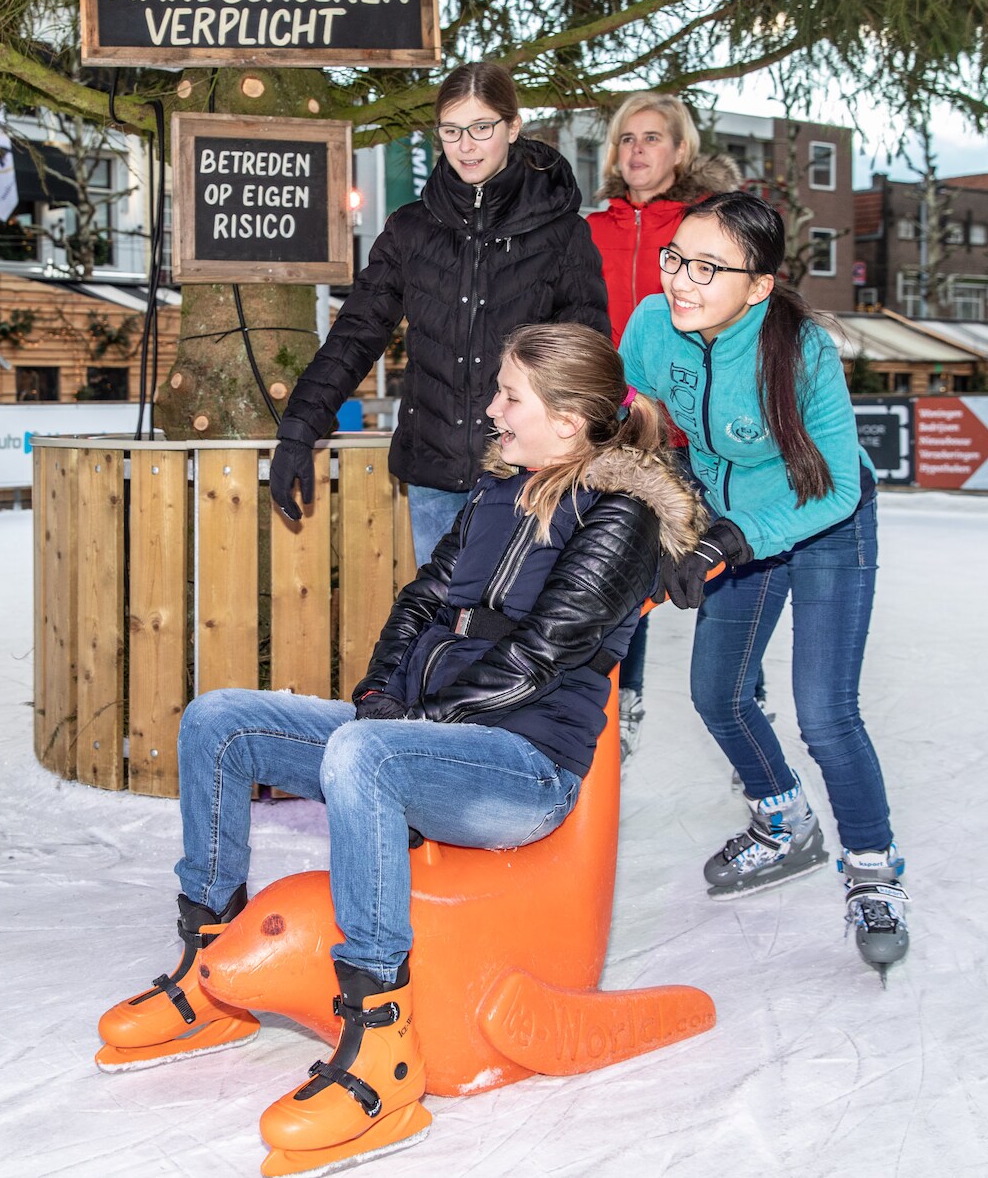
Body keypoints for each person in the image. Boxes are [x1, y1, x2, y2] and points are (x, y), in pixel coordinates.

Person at [98, 323, 701, 1171]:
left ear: (568, 421)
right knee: (220, 721)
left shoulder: (620, 517)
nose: (491, 409)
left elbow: (540, 656)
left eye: (510, 397)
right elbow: (421, 602)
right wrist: (380, 698)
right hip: (417, 737)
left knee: (364, 757)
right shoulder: (498, 493)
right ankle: (206, 966)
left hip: (521, 767)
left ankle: (380, 1032)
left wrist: (409, 729)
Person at [618, 193, 909, 983]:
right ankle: (783, 818)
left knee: (825, 712)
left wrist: (733, 537)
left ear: (757, 286)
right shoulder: (653, 326)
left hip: (824, 522)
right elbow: (635, 423)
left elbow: (837, 483)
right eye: (676, 257)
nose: (681, 280)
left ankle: (872, 871)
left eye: (708, 268)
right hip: (730, 523)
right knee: (718, 694)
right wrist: (663, 516)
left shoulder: (801, 351)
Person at [268, 61, 609, 561]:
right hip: (435, 470)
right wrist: (299, 428)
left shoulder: (562, 233)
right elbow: (357, 333)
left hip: (530, 472)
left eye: (481, 127)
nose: (465, 145)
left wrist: (588, 457)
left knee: (522, 611)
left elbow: (586, 358)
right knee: (440, 609)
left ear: (513, 127)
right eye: (451, 130)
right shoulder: (411, 228)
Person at [584, 92, 740, 756]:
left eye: (652, 138)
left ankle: (743, 704)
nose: (637, 150)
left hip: (701, 434)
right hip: (623, 433)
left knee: (724, 570)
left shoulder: (707, 227)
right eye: (627, 139)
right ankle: (623, 706)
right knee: (621, 573)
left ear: (680, 151)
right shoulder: (592, 230)